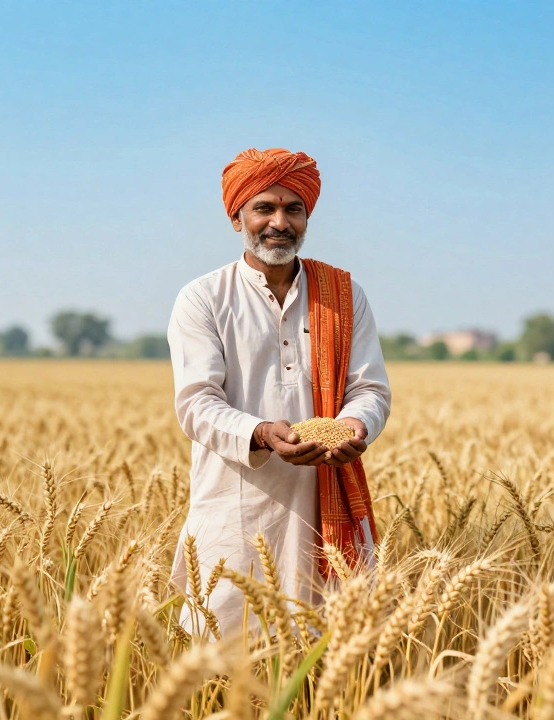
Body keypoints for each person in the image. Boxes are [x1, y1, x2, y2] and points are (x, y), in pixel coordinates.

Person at [167, 148, 392, 635]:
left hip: (325, 507)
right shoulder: (203, 298)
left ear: (307, 216)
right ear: (237, 218)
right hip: (236, 506)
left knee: (327, 652)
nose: (279, 222)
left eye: (293, 209)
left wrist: (355, 426)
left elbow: (369, 388)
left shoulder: (344, 293)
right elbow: (196, 403)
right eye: (263, 208)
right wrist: (264, 433)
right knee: (226, 654)